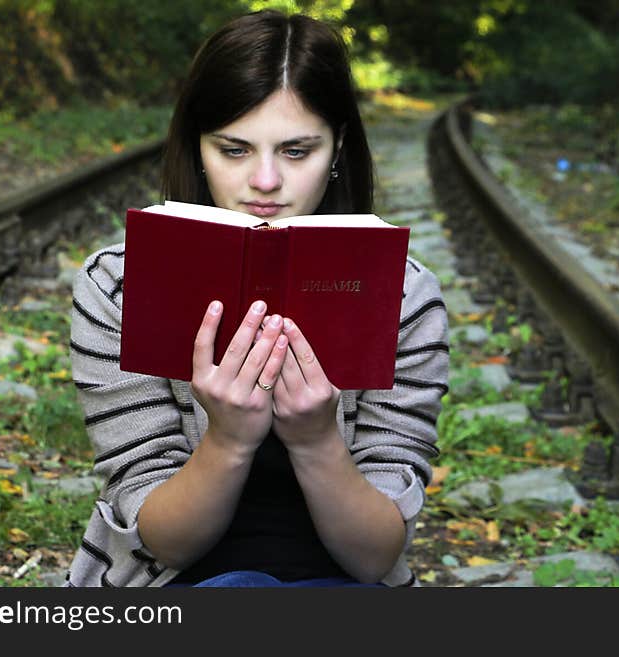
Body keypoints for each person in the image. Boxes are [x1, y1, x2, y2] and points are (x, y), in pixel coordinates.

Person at [64, 10, 449, 588]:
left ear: (338, 147)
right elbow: (162, 537)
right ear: (198, 147)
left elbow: (374, 557)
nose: (264, 181)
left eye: (296, 151)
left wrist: (317, 438)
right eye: (234, 149)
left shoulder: (403, 294)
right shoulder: (118, 285)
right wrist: (228, 439)